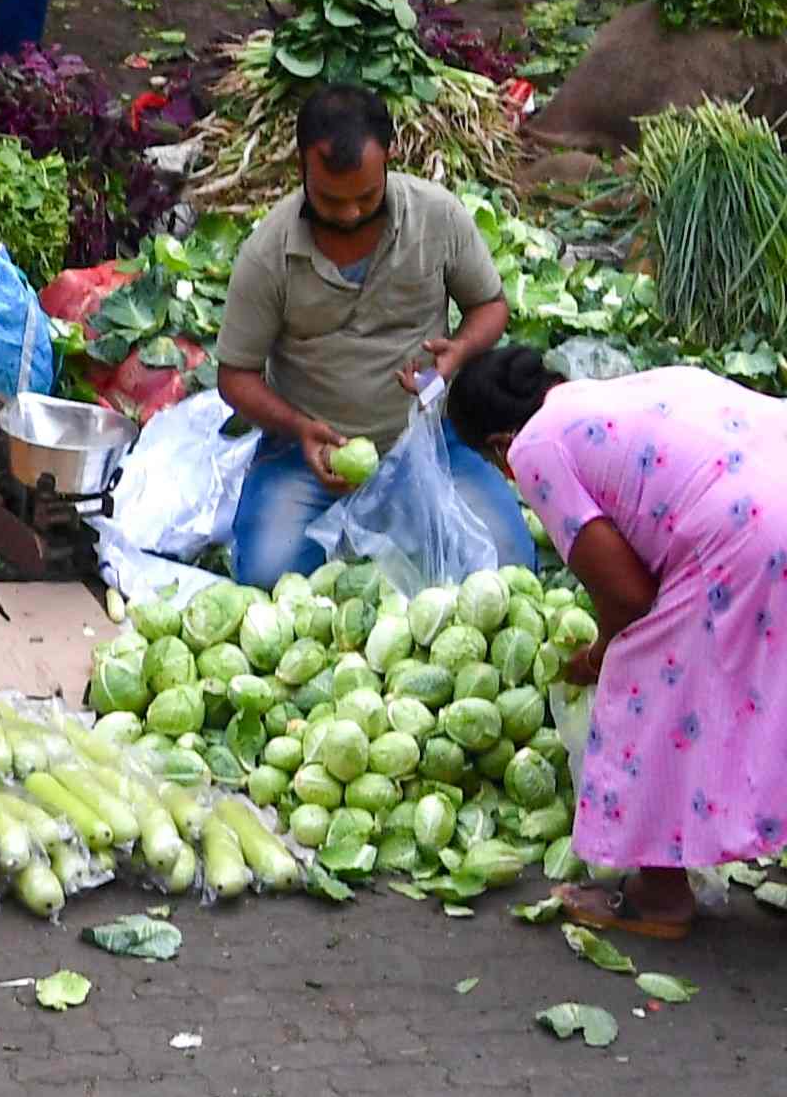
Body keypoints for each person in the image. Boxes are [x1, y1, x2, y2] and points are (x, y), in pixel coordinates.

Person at [447, 342, 787, 945]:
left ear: (499, 444)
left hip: (753, 529)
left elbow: (630, 596)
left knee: (648, 684)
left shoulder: (536, 446)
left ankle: (658, 897)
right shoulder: (613, 395)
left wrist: (598, 656)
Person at [215, 81, 526, 587]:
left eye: (365, 195)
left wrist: (460, 350)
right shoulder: (268, 253)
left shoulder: (438, 216)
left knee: (507, 565)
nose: (349, 213)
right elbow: (235, 376)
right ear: (301, 167)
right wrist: (299, 428)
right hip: (310, 454)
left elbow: (489, 306)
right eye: (330, 199)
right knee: (268, 577)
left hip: (431, 437)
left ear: (390, 159)